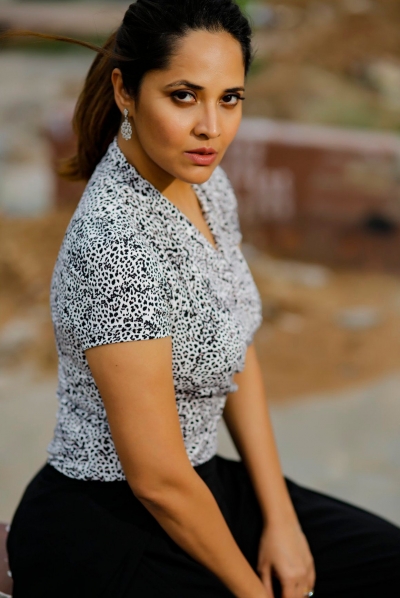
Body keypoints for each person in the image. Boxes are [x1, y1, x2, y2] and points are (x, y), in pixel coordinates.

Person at [4, 1, 400, 597]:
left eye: (230, 98)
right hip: (110, 531)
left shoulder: (206, 185)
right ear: (126, 91)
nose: (211, 127)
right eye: (184, 96)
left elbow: (238, 351)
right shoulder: (114, 245)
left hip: (202, 486)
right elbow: (158, 481)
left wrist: (282, 519)